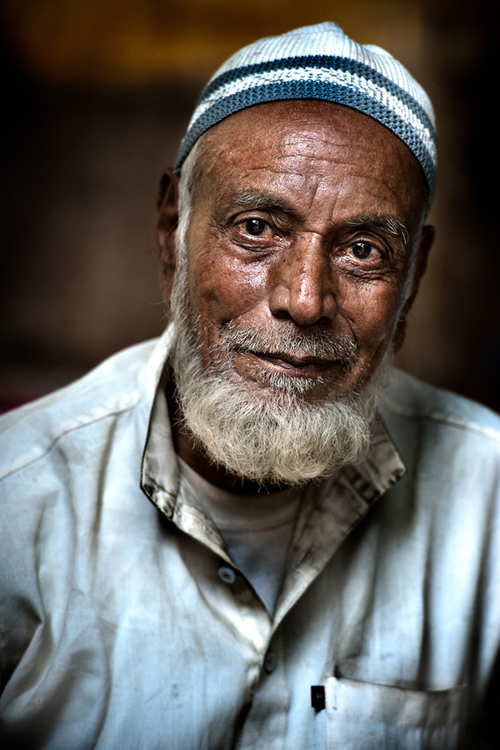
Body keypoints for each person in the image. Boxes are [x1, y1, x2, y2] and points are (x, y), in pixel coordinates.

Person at [0, 21, 498, 750]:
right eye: (257, 228)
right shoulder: (16, 502)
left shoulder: (490, 504)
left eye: (363, 250)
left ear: (414, 276)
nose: (304, 298)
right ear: (173, 230)